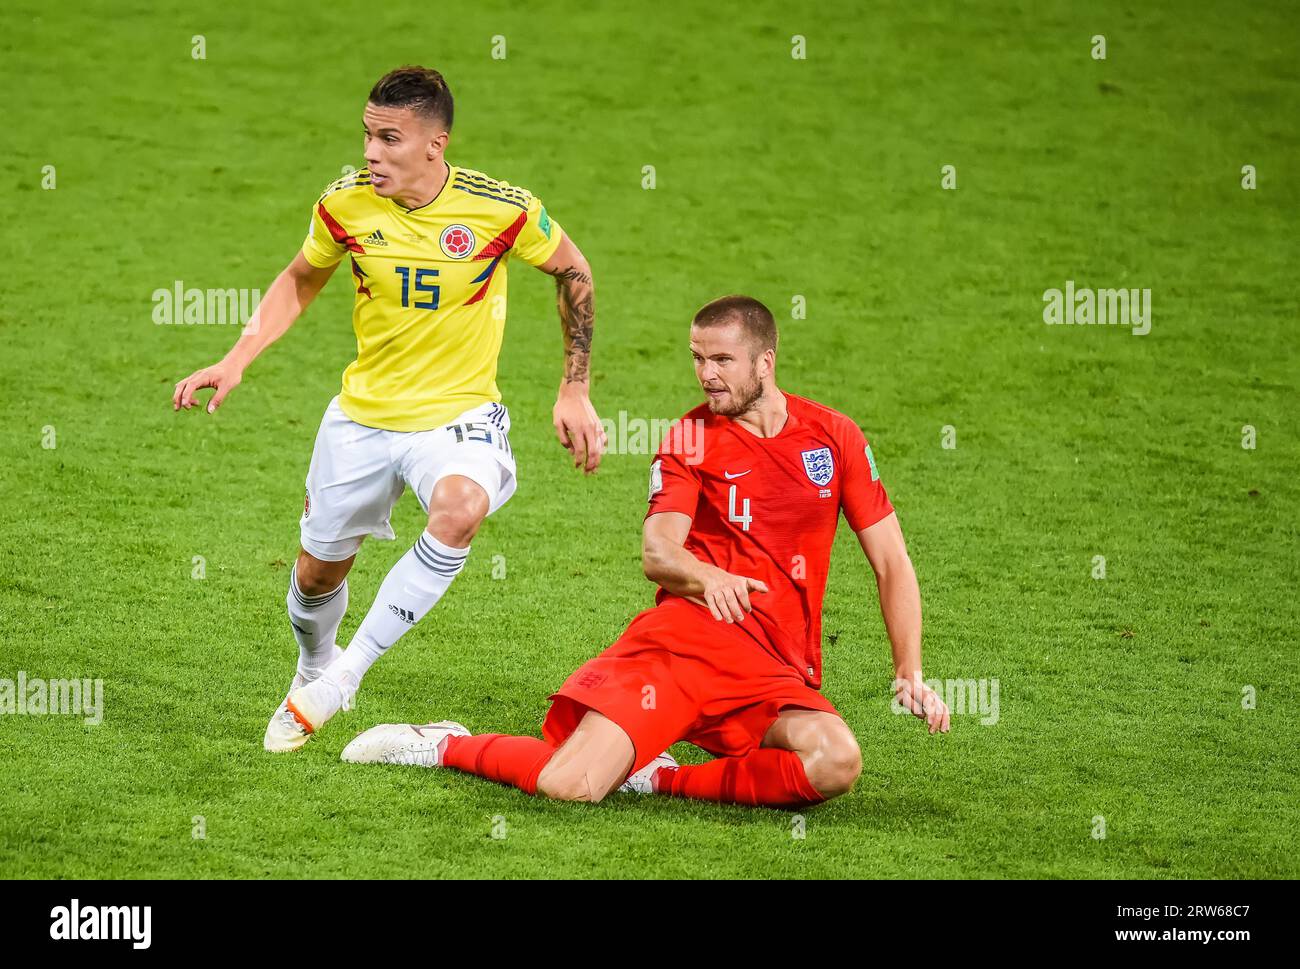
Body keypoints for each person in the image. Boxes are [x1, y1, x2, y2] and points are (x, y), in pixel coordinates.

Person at [342, 295, 949, 808]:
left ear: (766, 360)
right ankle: (447, 742)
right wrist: (707, 577)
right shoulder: (690, 438)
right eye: (697, 358)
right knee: (569, 784)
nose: (707, 374)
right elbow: (659, 553)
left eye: (722, 360)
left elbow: (891, 561)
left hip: (773, 666)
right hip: (683, 650)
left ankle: (661, 777)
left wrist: (909, 671)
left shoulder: (833, 436)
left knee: (835, 761)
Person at [170, 66, 605, 752]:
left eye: (389, 138)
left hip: (459, 416)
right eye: (367, 135)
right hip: (363, 417)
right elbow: (300, 277)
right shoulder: (344, 205)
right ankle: (314, 665)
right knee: (316, 574)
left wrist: (574, 386)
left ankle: (344, 677)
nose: (370, 152)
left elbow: (573, 270)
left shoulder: (503, 208)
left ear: (436, 144)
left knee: (461, 508)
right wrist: (237, 357)